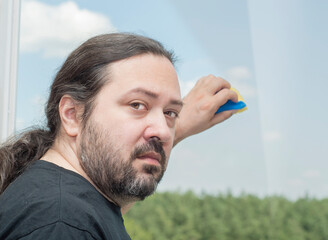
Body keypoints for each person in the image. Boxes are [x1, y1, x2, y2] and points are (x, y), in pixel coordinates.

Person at [0, 33, 239, 239]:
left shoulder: (69, 206)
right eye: (137, 105)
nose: (164, 131)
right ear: (72, 114)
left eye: (170, 113)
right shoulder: (60, 222)